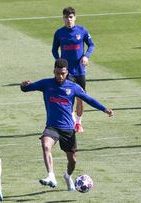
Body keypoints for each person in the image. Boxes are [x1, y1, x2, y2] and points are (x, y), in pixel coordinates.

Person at [20, 58, 114, 191]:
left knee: (72, 161)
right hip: (52, 127)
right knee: (46, 145)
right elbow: (26, 88)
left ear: (67, 72)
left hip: (68, 129)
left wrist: (104, 109)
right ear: (54, 71)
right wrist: (23, 85)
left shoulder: (73, 87)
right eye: (58, 73)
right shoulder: (46, 84)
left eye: (63, 73)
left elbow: (89, 99)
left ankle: (67, 175)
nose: (60, 76)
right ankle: (51, 176)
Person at [52, 7, 95, 133]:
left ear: (75, 17)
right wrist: (59, 62)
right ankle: (70, 121)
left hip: (80, 71)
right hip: (67, 73)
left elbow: (91, 45)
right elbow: (54, 49)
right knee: (67, 98)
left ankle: (78, 122)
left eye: (71, 17)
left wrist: (86, 56)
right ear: (63, 18)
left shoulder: (82, 31)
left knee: (81, 98)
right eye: (66, 17)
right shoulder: (59, 33)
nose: (68, 20)